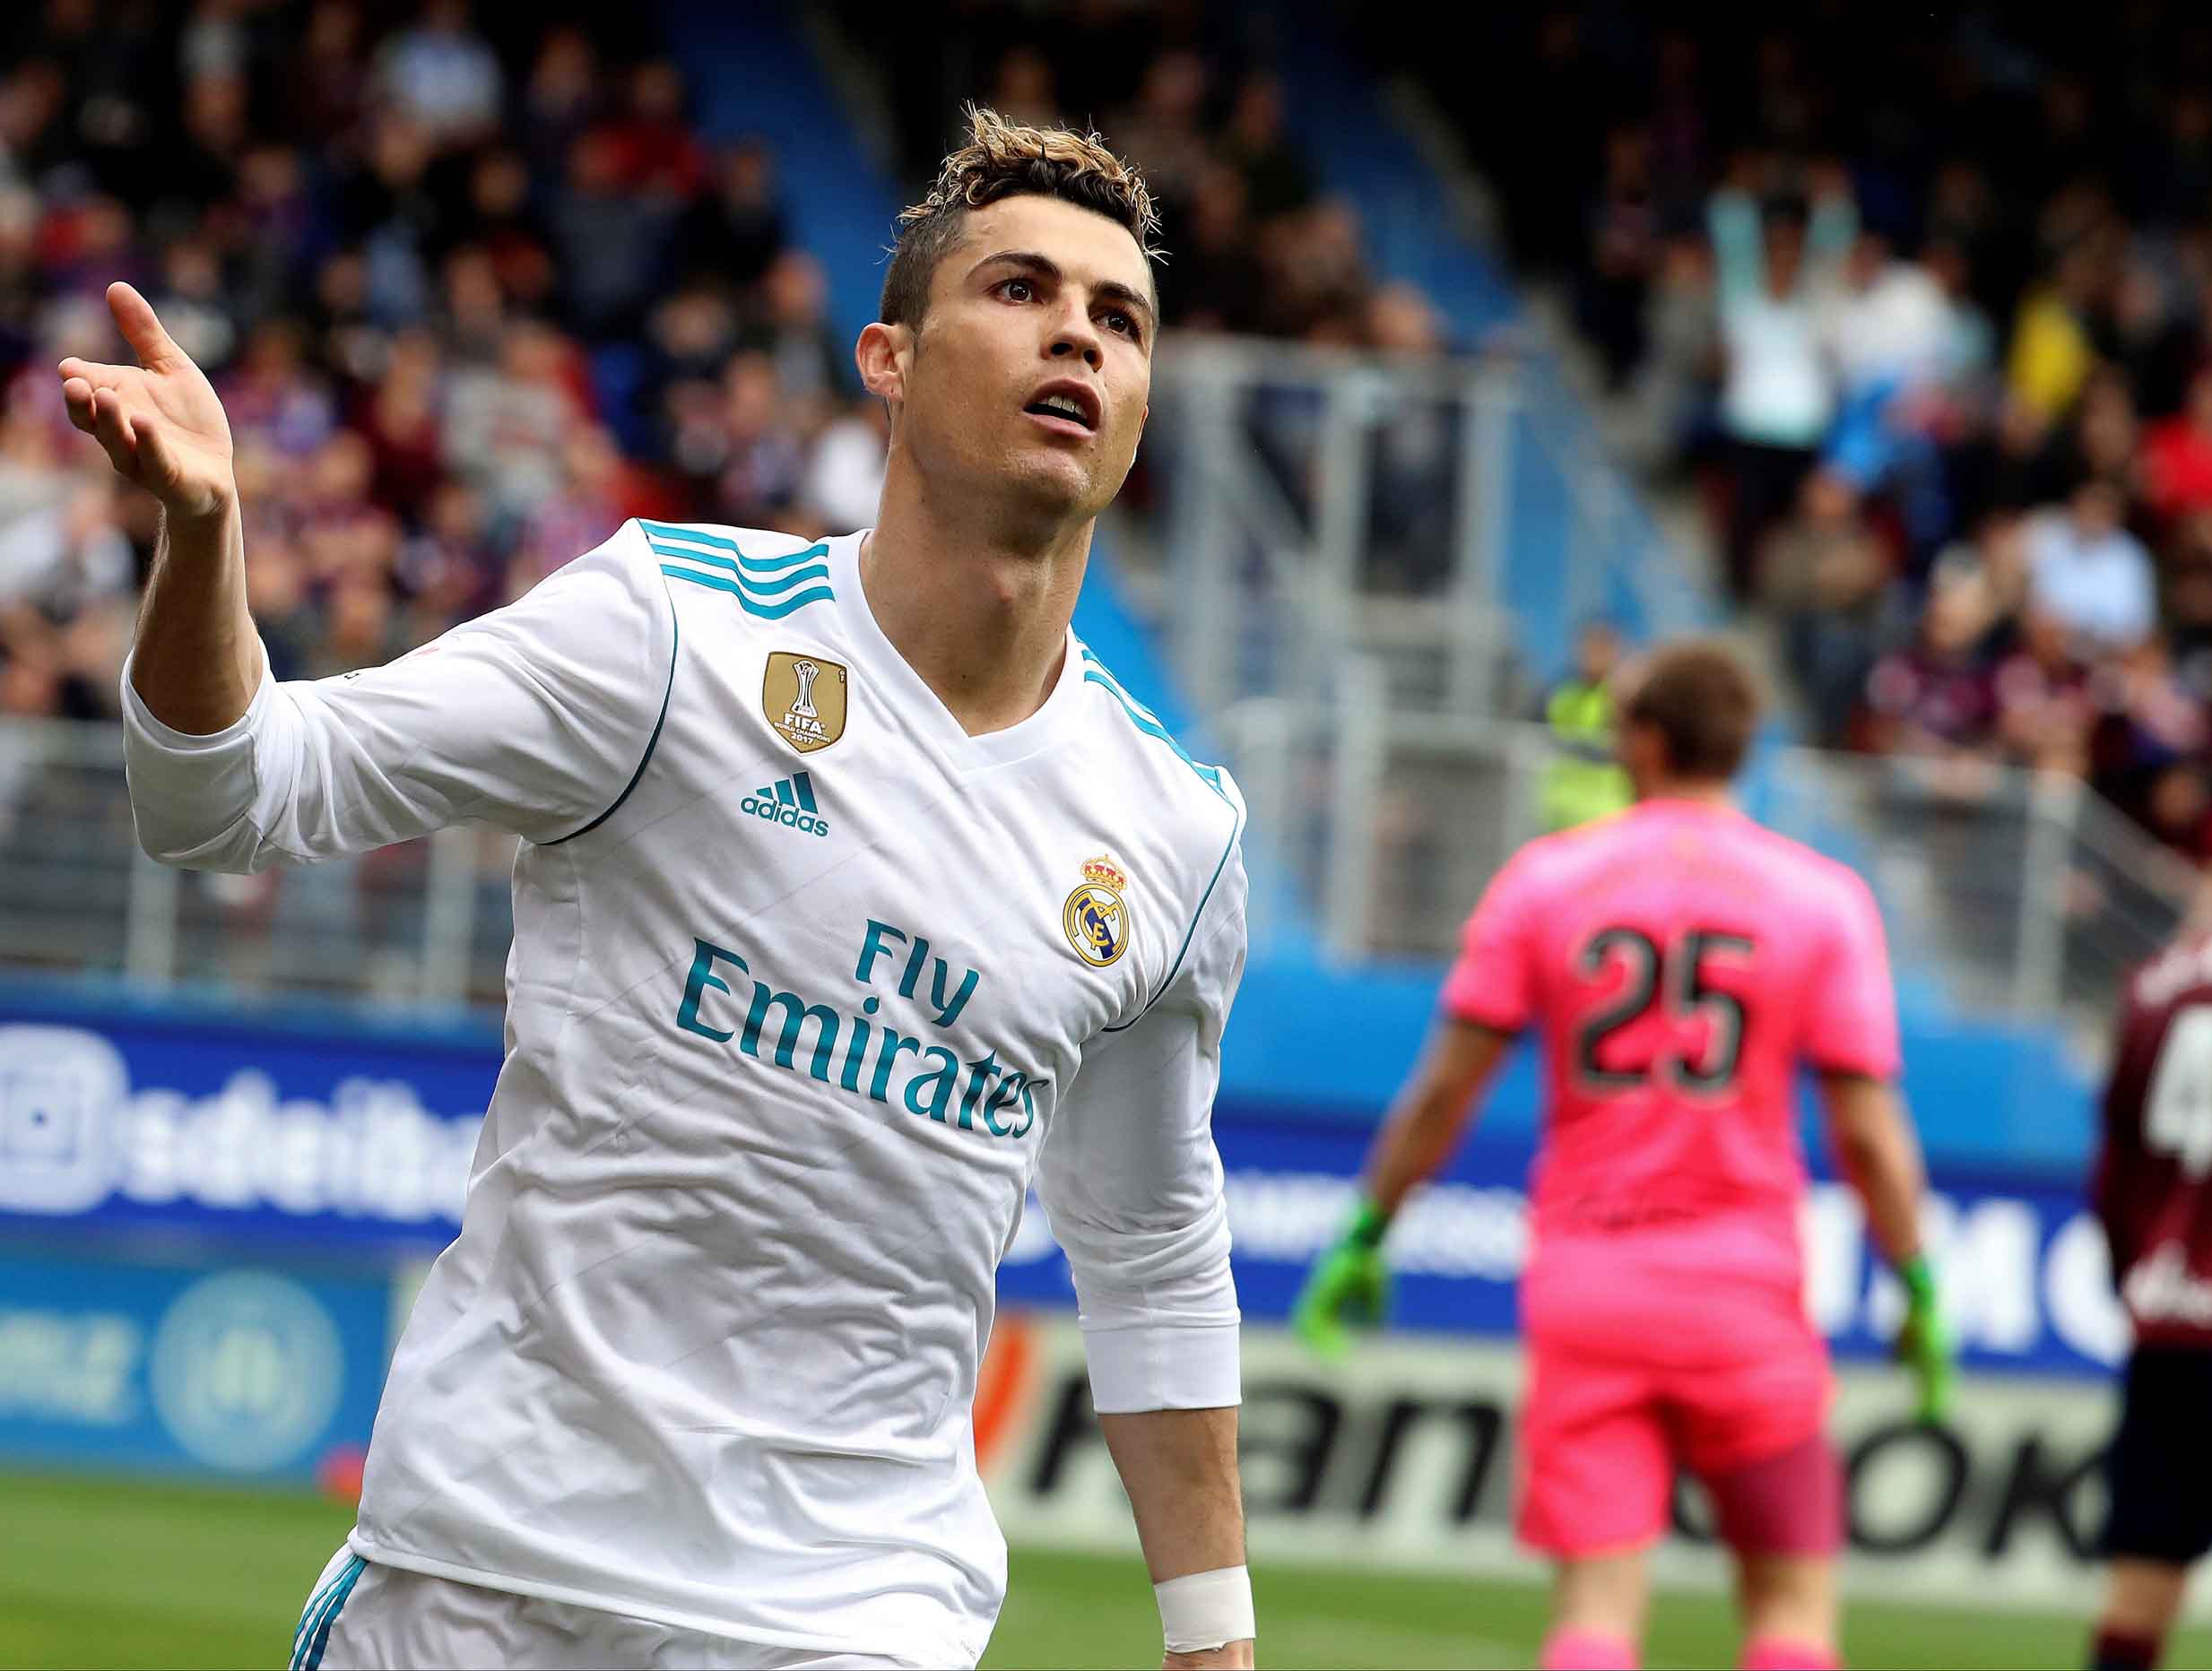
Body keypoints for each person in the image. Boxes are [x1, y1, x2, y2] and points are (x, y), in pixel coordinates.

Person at [62, 108, 1254, 1671]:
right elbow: (228, 793)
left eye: (1120, 320)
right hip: (480, 1585)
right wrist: (204, 536)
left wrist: (1214, 1637)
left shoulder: (1172, 825)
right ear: (887, 357)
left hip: (853, 1619)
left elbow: (1151, 1236)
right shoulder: (671, 632)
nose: (1079, 340)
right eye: (1022, 289)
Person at [1293, 642, 1953, 1671]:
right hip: (1747, 1291)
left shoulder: (1546, 880)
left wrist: (1370, 1228)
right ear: (1740, 742)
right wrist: (1912, 1279)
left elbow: (1443, 1090)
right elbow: (1866, 1132)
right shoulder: (1821, 898)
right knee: (1788, 1603)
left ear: (1642, 740)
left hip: (1588, 1284)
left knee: (1596, 1607)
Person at [2084, 865, 2212, 1671]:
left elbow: (2111, 1175)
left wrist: (2137, 1281)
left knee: (2143, 1581)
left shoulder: (2153, 984)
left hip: (2171, 1318)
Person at [1537, 619, 1631, 833]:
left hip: (1608, 814)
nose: (1592, 658)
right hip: (1558, 810)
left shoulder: (1623, 697)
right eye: (1588, 649)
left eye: (1600, 650)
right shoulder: (1560, 693)